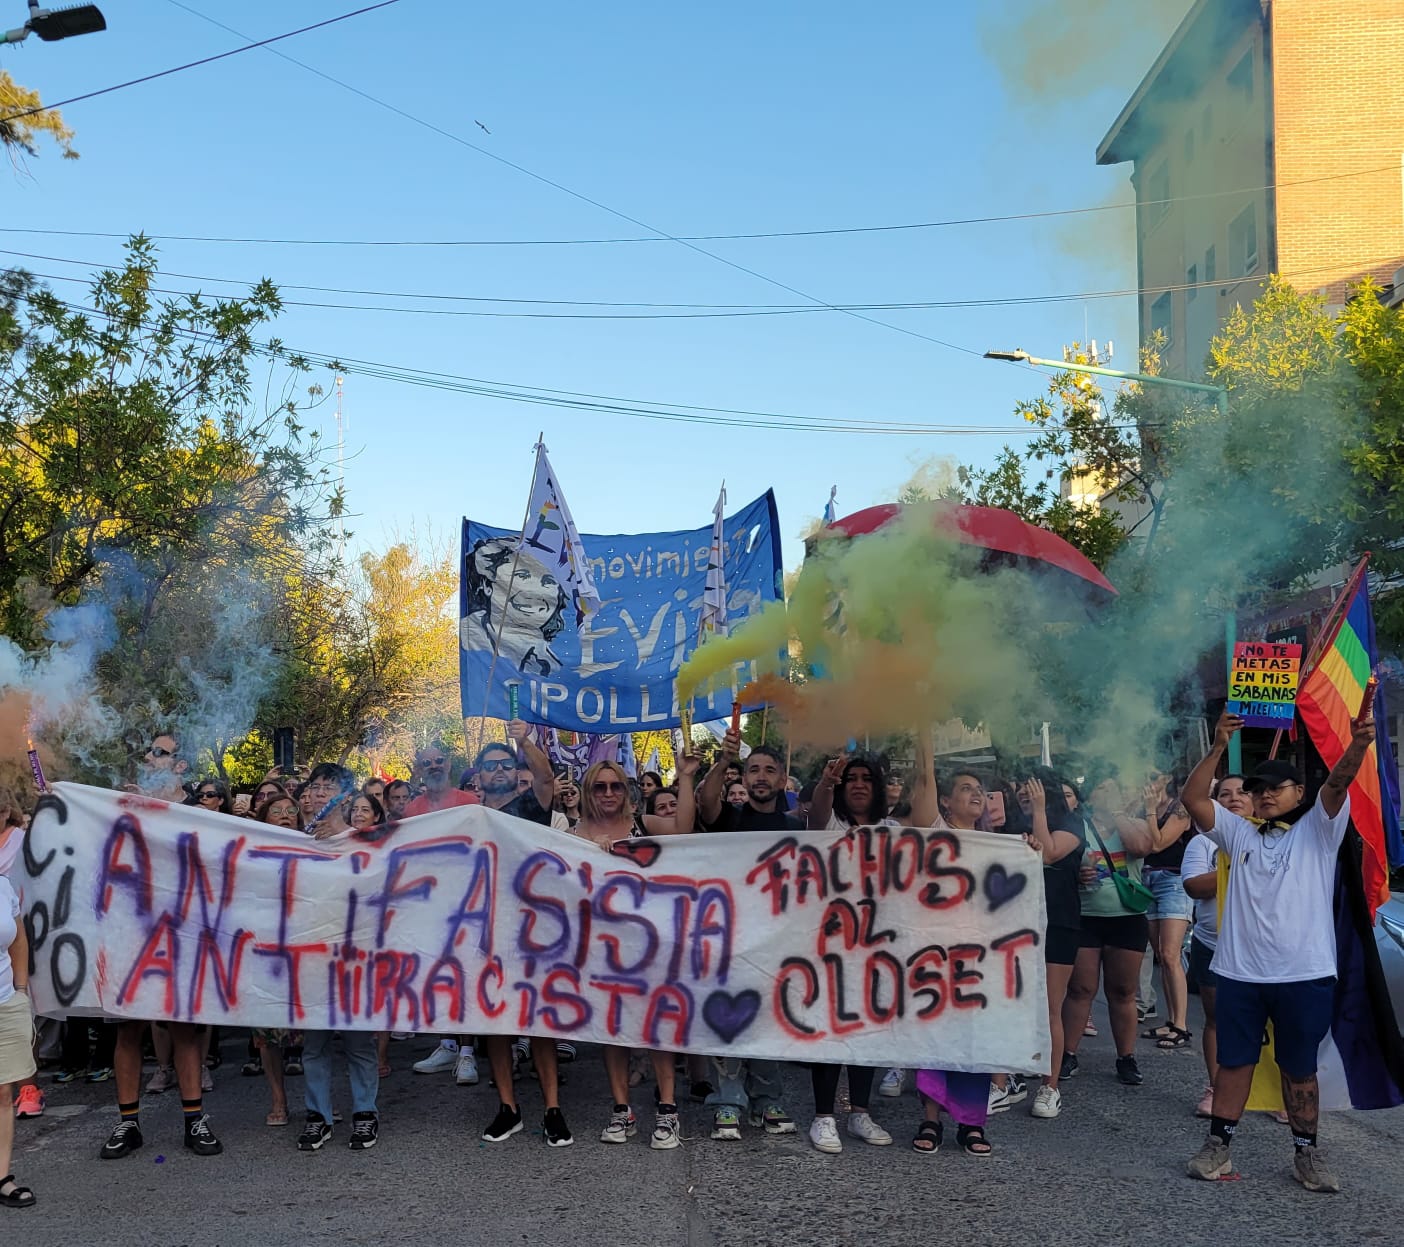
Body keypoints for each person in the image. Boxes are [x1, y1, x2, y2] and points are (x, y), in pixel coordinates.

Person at [1182, 709, 1374, 1192]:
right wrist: (1218, 745)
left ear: (1299, 794)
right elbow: (1192, 799)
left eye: (1276, 787)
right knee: (1234, 1062)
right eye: (1257, 788)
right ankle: (1218, 1146)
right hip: (1240, 974)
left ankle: (1306, 1154)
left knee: (1299, 1067)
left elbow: (1338, 784)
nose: (1264, 794)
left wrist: (1357, 745)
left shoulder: (1318, 830)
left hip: (1303, 973)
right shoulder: (1237, 832)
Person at [101, 732, 223, 1161]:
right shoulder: (125, 805)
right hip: (131, 929)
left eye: (159, 753)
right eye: (148, 752)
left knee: (184, 1028)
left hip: (180, 930)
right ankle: (127, 1123)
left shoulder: (198, 812)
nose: (149, 758)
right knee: (129, 1028)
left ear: (180, 766)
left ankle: (195, 1121)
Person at [572, 756, 694, 1150]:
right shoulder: (572, 834)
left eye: (616, 786)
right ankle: (621, 1110)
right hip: (601, 946)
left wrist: (687, 778)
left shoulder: (645, 826)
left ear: (627, 792)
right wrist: (593, 855)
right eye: (599, 787)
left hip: (649, 942)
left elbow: (685, 829)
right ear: (588, 792)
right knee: (613, 1029)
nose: (608, 793)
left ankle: (668, 1109)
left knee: (657, 1024)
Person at [470, 724, 576, 1147]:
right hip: (483, 930)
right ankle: (508, 1108)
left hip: (534, 931)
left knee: (539, 1020)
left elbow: (548, 778)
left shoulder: (531, 807)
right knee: (494, 1022)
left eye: (505, 764)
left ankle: (553, 1109)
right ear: (477, 776)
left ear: (516, 772)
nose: (498, 770)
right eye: (489, 765)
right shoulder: (465, 815)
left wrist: (524, 741)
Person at [694, 730, 801, 1140]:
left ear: (781, 780)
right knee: (730, 1019)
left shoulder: (793, 826)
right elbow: (706, 803)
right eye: (753, 768)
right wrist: (722, 762)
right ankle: (727, 1101)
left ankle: (766, 1100)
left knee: (769, 1020)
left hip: (775, 939)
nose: (760, 776)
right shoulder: (730, 818)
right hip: (730, 937)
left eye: (769, 770)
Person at [1059, 770, 1187, 1088]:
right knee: (1080, 990)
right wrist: (1078, 877)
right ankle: (1067, 1054)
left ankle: (1126, 1057)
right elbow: (1061, 863)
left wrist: (1118, 813)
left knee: (1123, 992)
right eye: (1104, 787)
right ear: (1090, 796)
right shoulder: (1077, 827)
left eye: (1114, 788)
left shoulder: (1134, 822)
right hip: (1086, 917)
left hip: (1127, 919)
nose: (1111, 792)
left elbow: (1143, 847)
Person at [1017, 774, 1086, 1120]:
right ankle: (1005, 1079)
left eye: (1033, 790)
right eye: (1022, 790)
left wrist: (1040, 811)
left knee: (1049, 1008)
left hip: (1058, 922)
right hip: (1016, 923)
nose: (1025, 795)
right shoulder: (1013, 823)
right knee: (1012, 1003)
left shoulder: (1072, 824)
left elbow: (1048, 853)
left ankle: (1050, 1086)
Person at [1181, 775, 1249, 1119]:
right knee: (1216, 1020)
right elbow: (1194, 886)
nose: (1234, 798)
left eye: (1242, 792)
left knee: (1269, 1023)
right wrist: (1241, 868)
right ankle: (1217, 1087)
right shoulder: (1203, 843)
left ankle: (1278, 1094)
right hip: (1212, 944)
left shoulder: (1274, 837)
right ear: (1215, 802)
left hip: (1257, 949)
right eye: (1225, 793)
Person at [1141, 774, 1197, 1051]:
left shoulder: (1180, 807)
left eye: (1152, 776)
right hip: (1147, 879)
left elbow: (1158, 843)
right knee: (1161, 955)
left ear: (1166, 778)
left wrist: (1150, 810)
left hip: (1173, 882)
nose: (1146, 781)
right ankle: (1171, 1018)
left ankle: (1182, 1026)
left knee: (1170, 954)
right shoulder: (1142, 805)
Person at [0, 869, 36, 1208]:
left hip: (5, 1001)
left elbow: (19, 940)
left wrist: (20, 991)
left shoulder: (2, 884)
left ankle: (1, 1177)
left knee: (2, 1091)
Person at [403, 743, 480, 818]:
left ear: (448, 765)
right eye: (426, 763)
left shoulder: (470, 803)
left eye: (439, 760)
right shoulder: (411, 811)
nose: (434, 766)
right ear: (419, 771)